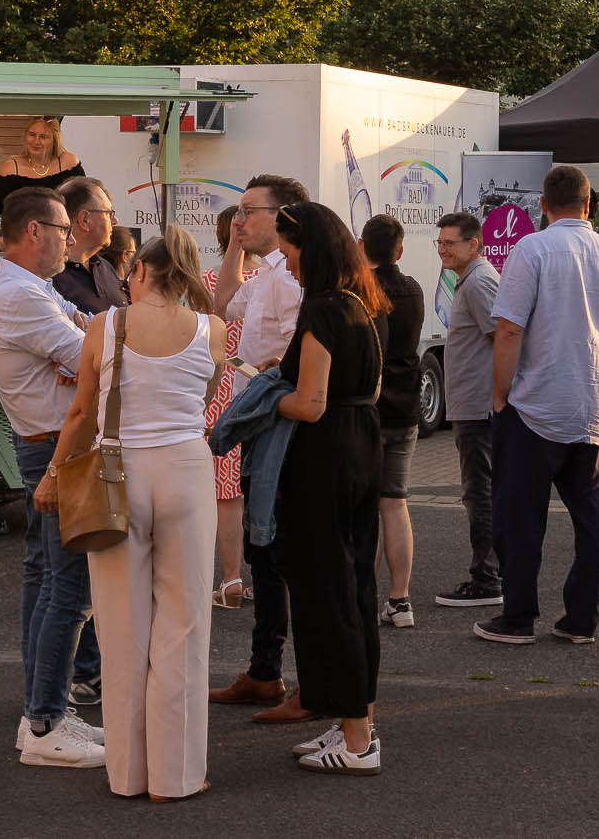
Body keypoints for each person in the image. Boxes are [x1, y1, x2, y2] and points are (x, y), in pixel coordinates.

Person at [32, 232, 220, 800]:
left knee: (120, 625)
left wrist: (53, 474)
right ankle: (176, 777)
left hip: (119, 473)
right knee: (183, 625)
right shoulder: (209, 330)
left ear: (138, 271)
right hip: (187, 469)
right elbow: (206, 399)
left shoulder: (105, 327)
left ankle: (127, 774)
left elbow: (83, 412)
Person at [476, 165, 599, 649]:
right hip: (592, 407)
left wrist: (500, 394)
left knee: (520, 517)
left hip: (536, 404)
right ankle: (582, 618)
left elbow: (509, 328)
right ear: (591, 205)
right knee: (591, 521)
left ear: (544, 205)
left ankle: (518, 615)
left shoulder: (532, 249)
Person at [0, 185, 102, 768]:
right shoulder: (21, 296)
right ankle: (48, 722)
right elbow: (92, 359)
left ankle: (41, 711)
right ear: (34, 232)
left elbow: (87, 339)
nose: (70, 239)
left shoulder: (31, 289)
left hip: (49, 443)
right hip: (57, 445)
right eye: (62, 228)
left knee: (47, 578)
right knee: (68, 589)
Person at [269, 202, 388, 774]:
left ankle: (358, 739)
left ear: (309, 250)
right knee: (356, 585)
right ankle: (354, 721)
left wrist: (265, 392)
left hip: (324, 459)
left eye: (289, 254)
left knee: (328, 593)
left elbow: (309, 404)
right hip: (364, 445)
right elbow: (366, 385)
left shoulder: (319, 310)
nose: (286, 265)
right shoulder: (360, 305)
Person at [209, 174, 314, 720]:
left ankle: (300, 681)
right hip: (259, 422)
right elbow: (223, 303)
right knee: (264, 551)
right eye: (238, 211)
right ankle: (265, 672)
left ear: (283, 216)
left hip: (283, 427)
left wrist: (281, 378)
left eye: (250, 211)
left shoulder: (293, 281)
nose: (239, 219)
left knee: (281, 552)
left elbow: (309, 349)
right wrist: (233, 246)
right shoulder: (266, 272)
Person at [432, 212, 505, 608]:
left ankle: (487, 579)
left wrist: (499, 395)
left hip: (480, 408)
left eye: (450, 243)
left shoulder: (479, 282)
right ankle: (493, 574)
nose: (442, 249)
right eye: (439, 243)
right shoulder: (471, 279)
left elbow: (504, 338)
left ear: (473, 244)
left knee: (480, 492)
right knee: (481, 491)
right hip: (473, 405)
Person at [357, 216, 425, 629]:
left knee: (365, 506)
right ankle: (400, 600)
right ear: (399, 250)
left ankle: (364, 592)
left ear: (362, 245)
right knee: (395, 503)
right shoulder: (414, 289)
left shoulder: (361, 291)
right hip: (407, 407)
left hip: (369, 408)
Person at [202, 205, 248, 612]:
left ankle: (230, 576)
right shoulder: (275, 278)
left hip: (219, 390)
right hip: (262, 385)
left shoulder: (207, 283)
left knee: (224, 492)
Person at [50, 176, 128, 316]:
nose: (115, 221)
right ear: (84, 220)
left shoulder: (104, 267)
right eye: (109, 214)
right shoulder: (50, 275)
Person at [0, 116, 82, 217]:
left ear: (55, 140)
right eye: (32, 135)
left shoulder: (69, 162)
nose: (36, 141)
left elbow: (83, 202)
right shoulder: (10, 168)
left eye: (43, 137)